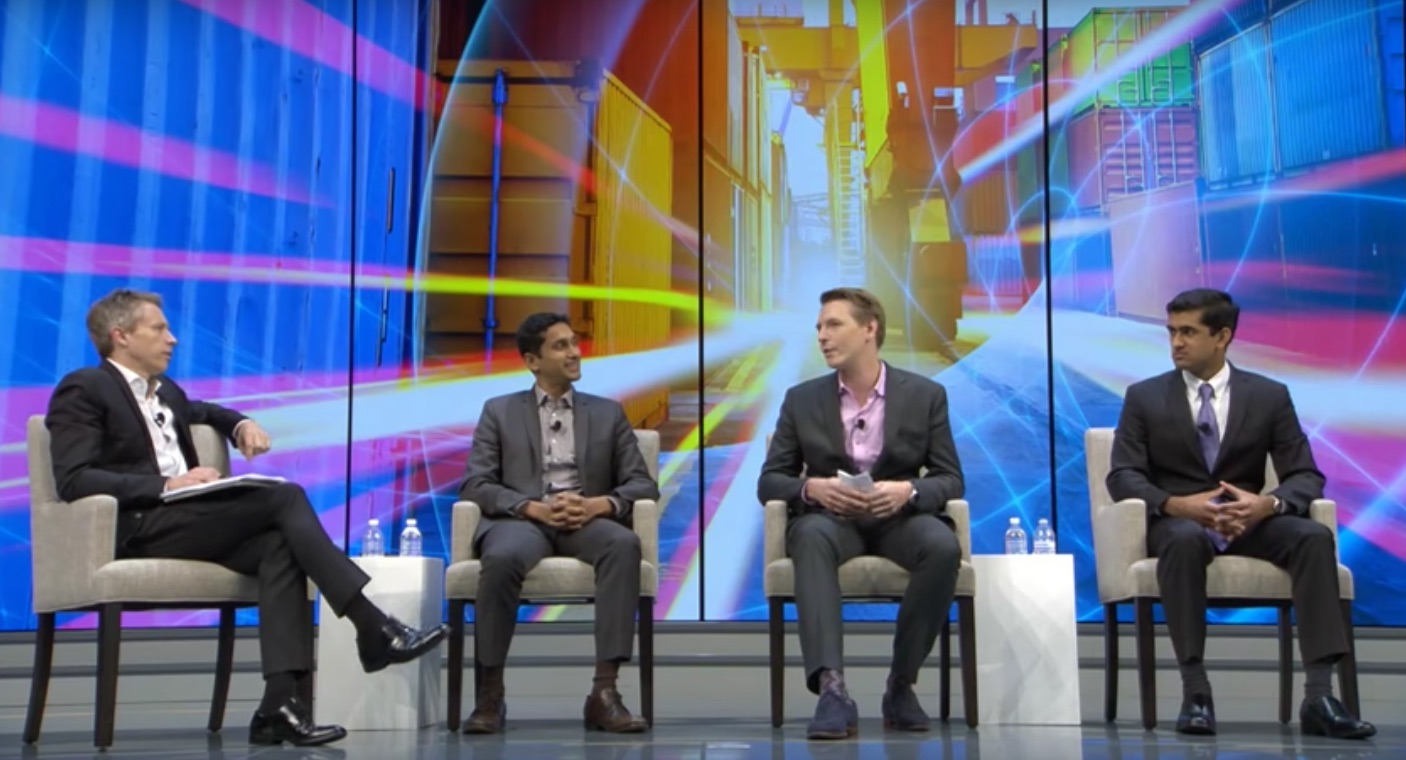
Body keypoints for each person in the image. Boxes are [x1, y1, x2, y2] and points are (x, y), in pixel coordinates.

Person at [46, 289, 448, 748]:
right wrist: (166, 484)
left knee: (280, 547)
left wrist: (239, 424)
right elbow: (74, 479)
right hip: (142, 524)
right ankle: (371, 625)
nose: (172, 338)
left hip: (188, 522)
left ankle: (279, 705)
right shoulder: (85, 388)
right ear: (121, 336)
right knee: (285, 497)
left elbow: (204, 411)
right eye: (159, 328)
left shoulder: (166, 392)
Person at [1107, 288, 1374, 739]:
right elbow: (1122, 476)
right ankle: (1196, 692)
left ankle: (1319, 696)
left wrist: (1266, 504)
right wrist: (1178, 505)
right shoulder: (1144, 397)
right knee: (1184, 540)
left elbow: (1305, 475)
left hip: (1248, 523)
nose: (1176, 342)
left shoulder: (1269, 396)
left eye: (1188, 332)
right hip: (1179, 524)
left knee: (1313, 538)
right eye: (1172, 332)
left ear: (1222, 336)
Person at [757, 287, 964, 740]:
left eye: (834, 325)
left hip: (899, 521)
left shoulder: (926, 395)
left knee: (943, 546)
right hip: (833, 523)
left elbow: (950, 478)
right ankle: (832, 689)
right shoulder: (801, 399)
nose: (822, 336)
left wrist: (908, 490)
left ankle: (901, 684)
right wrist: (812, 488)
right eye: (819, 327)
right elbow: (770, 481)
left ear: (870, 329)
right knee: (809, 536)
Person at [459, 312, 660, 734]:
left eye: (574, 343)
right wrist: (531, 508)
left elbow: (642, 483)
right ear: (533, 361)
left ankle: (604, 692)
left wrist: (598, 505)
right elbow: (477, 483)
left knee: (623, 545)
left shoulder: (607, 412)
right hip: (523, 521)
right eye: (561, 345)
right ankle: (490, 695)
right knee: (501, 557)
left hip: (585, 521)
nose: (574, 353)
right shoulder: (499, 411)